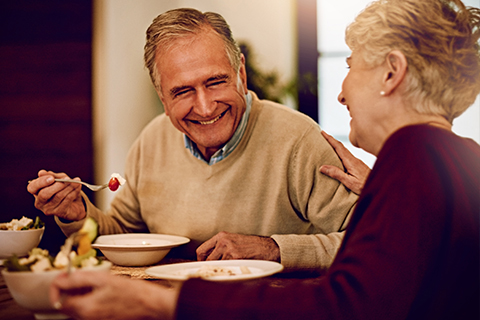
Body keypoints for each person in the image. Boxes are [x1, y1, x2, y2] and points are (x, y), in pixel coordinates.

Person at [49, 0, 480, 319]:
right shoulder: (458, 160)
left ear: (391, 73)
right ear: (162, 96)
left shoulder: (411, 160)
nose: (341, 92)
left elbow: (344, 304)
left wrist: (160, 301)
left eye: (351, 66)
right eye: (181, 92)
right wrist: (380, 197)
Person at [27, 8, 358, 270]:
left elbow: (372, 242)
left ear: (240, 73)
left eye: (215, 82)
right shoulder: (151, 140)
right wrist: (77, 213)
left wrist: (272, 249)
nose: (204, 107)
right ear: (161, 94)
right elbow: (126, 237)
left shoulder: (299, 140)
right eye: (183, 91)